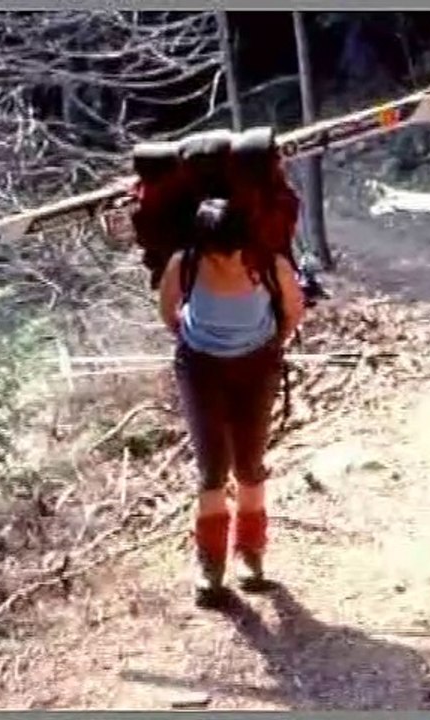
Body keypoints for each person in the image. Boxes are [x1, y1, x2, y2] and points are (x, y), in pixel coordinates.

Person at [158, 197, 306, 608]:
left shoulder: (268, 264)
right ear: (203, 245)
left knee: (249, 465)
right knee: (211, 468)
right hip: (200, 369)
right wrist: (200, 345)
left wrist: (268, 347)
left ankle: (251, 555)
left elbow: (294, 309)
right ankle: (210, 566)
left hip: (257, 367)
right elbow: (167, 312)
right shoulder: (184, 263)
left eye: (233, 247)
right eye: (219, 250)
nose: (229, 258)